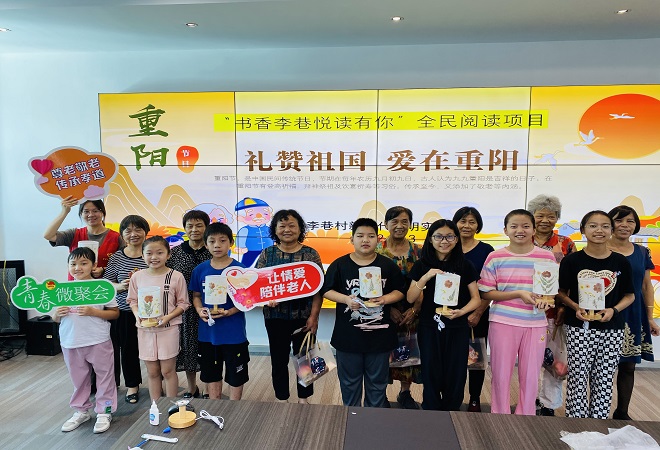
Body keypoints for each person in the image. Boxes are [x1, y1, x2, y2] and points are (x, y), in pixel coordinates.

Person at [557, 210, 634, 419]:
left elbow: (630, 295)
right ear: (583, 230)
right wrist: (575, 306)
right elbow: (561, 293)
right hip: (579, 327)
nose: (599, 230)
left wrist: (613, 310)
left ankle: (598, 423)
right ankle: (576, 423)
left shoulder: (620, 262)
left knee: (604, 379)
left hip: (612, 329)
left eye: (605, 226)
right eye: (593, 226)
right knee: (578, 377)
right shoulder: (572, 261)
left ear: (611, 230)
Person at [478, 209, 556, 415]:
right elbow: (486, 292)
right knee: (501, 374)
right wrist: (518, 294)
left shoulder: (546, 257)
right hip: (503, 321)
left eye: (525, 226)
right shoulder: (495, 256)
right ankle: (500, 415)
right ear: (505, 230)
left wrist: (547, 301)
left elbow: (550, 291)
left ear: (533, 230)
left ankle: (526, 415)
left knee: (530, 376)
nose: (520, 230)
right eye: (514, 226)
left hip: (535, 323)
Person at [322, 218, 405, 407]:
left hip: (380, 337)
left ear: (378, 239)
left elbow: (401, 290)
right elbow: (326, 290)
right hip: (348, 337)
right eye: (360, 236)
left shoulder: (387, 265)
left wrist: (385, 299)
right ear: (352, 239)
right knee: (349, 384)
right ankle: (351, 417)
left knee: (377, 384)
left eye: (370, 236)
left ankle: (372, 419)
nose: (365, 240)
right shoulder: (340, 264)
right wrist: (346, 299)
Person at [407, 219, 482, 411]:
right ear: (430, 239)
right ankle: (431, 410)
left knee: (456, 372)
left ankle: (452, 410)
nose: (444, 241)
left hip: (457, 326)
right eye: (439, 236)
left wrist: (462, 312)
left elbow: (476, 299)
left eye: (449, 237)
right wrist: (426, 276)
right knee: (431, 370)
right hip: (429, 326)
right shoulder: (422, 265)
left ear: (456, 240)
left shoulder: (465, 265)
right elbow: (410, 297)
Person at [255, 209, 323, 403]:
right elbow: (258, 286)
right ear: (275, 230)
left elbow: (318, 290)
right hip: (275, 317)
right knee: (278, 360)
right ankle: (281, 398)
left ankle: (304, 398)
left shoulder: (310, 254)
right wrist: (266, 298)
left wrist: (314, 317)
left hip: (304, 317)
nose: (287, 230)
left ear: (300, 229)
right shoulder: (267, 254)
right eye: (282, 226)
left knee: (305, 360)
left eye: (292, 225)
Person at [54, 247, 119, 434]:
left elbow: (114, 313)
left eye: (83, 263)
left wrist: (93, 312)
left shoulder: (102, 287)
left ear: (94, 265)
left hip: (98, 339)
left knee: (105, 376)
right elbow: (55, 318)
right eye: (73, 264)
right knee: (78, 379)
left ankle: (105, 411)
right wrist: (57, 314)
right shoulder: (61, 289)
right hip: (70, 341)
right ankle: (81, 411)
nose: (78, 268)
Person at [607, 205, 659, 420]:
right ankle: (595, 412)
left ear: (636, 225)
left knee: (628, 366)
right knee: (599, 367)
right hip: (606, 312)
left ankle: (622, 412)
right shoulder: (600, 249)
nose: (624, 225)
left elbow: (646, 286)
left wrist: (650, 318)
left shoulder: (642, 252)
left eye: (630, 221)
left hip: (634, 313)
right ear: (610, 223)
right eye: (619, 220)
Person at [527, 194, 576, 417]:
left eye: (551, 216)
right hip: (526, 309)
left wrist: (565, 307)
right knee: (529, 360)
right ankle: (529, 400)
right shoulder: (523, 238)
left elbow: (573, 279)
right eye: (540, 215)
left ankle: (548, 404)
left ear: (557, 218)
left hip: (556, 311)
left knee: (554, 361)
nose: (545, 220)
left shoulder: (566, 243)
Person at [190, 223, 250, 400]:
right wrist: (199, 309)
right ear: (206, 244)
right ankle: (214, 406)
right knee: (211, 374)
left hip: (234, 333)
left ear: (231, 243)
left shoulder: (240, 270)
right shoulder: (200, 270)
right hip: (208, 334)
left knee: (236, 374)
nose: (217, 245)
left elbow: (248, 300)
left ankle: (235, 407)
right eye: (212, 241)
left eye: (222, 240)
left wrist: (230, 311)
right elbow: (196, 295)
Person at [128, 236, 189, 400]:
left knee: (168, 371)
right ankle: (155, 407)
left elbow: (183, 303)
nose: (154, 257)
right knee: (153, 372)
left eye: (159, 253)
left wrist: (168, 317)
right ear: (142, 255)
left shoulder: (176, 276)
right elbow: (132, 301)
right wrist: (137, 315)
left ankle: (170, 405)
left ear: (168, 255)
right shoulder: (137, 277)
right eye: (149, 253)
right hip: (145, 331)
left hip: (168, 330)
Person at [376, 206, 422, 409]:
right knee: (381, 353)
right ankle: (381, 395)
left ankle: (405, 393)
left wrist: (415, 309)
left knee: (408, 350)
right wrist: (388, 309)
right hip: (382, 311)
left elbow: (425, 283)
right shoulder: (377, 250)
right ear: (386, 224)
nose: (399, 225)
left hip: (412, 311)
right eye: (394, 221)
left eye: (404, 221)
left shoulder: (419, 251)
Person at [452, 206, 494, 412]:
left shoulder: (487, 251)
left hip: (478, 312)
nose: (466, 225)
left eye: (472, 222)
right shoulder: (446, 246)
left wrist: (478, 312)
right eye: (462, 221)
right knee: (452, 357)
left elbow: (490, 286)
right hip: (449, 313)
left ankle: (475, 398)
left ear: (478, 225)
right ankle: (453, 396)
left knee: (476, 357)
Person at [167, 210, 212, 399]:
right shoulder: (176, 252)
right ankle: (192, 387)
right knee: (188, 348)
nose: (194, 229)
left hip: (210, 308)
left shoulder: (213, 249)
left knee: (210, 348)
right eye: (190, 226)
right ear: (184, 228)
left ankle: (210, 388)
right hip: (184, 310)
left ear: (206, 227)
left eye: (199, 225)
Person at [104, 215, 150, 404]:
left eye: (138, 229)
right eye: (128, 230)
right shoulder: (117, 257)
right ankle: (132, 385)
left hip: (151, 311)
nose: (133, 234)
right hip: (124, 311)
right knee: (128, 350)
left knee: (154, 349)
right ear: (122, 235)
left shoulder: (152, 252)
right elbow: (106, 284)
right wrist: (121, 286)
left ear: (146, 232)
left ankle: (157, 383)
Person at [44, 196, 122, 280]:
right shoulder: (74, 234)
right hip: (76, 286)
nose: (91, 215)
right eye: (86, 211)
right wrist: (64, 212)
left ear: (102, 212)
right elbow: (48, 235)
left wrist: (104, 269)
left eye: (95, 211)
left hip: (104, 286)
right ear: (81, 214)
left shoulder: (117, 237)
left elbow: (124, 264)